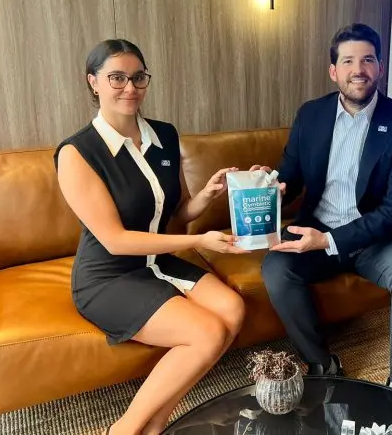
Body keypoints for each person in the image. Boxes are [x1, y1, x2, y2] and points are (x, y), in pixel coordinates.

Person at [54, 39, 247, 435]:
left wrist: (207, 195)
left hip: (156, 263)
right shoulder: (77, 152)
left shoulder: (164, 135)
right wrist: (198, 242)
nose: (130, 87)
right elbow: (116, 241)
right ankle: (123, 429)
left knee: (232, 309)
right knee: (207, 332)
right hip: (108, 276)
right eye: (117, 78)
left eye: (138, 77)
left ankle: (156, 423)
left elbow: (178, 213)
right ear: (94, 82)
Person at [255, 23, 392, 397]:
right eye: (348, 61)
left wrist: (330, 241)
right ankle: (322, 364)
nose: (359, 70)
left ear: (380, 67)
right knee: (276, 268)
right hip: (316, 228)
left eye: (367, 60)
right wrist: (270, 185)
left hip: (376, 238)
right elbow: (291, 176)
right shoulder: (311, 115)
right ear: (333, 71)